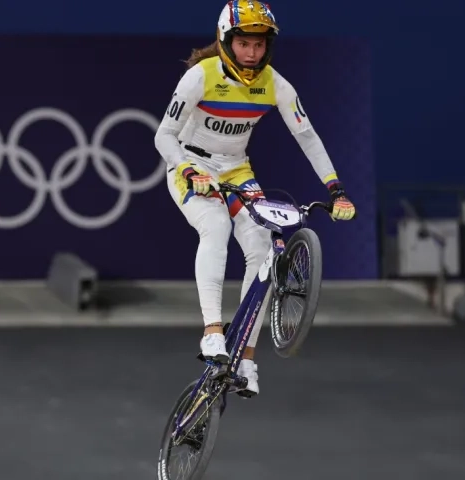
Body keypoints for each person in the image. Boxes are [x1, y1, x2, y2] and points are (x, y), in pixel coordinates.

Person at [153, 0, 355, 397]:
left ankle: (245, 354)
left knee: (263, 247)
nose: (252, 52)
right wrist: (187, 170)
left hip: (237, 170)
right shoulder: (200, 76)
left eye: (260, 45)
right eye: (244, 43)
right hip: (191, 166)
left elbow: (307, 137)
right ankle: (212, 332)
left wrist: (336, 188)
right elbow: (163, 134)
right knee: (215, 226)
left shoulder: (275, 84)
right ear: (225, 41)